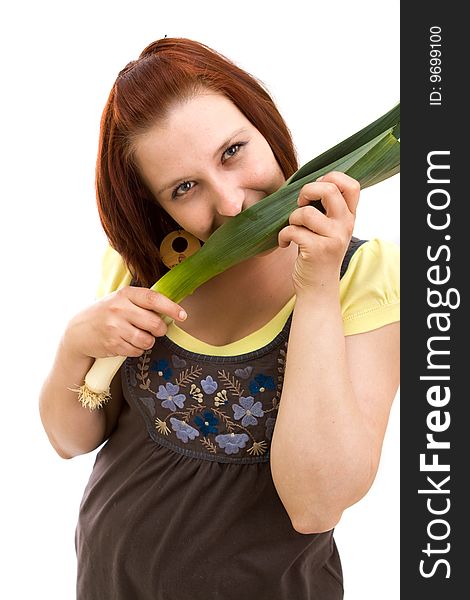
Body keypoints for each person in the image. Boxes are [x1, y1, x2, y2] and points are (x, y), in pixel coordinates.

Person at [39, 37, 400, 600]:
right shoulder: (146, 266)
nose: (231, 203)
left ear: (265, 124)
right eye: (185, 188)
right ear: (156, 204)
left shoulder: (365, 274)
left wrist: (318, 287)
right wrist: (74, 344)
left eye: (233, 151)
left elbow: (315, 505)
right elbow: (69, 440)